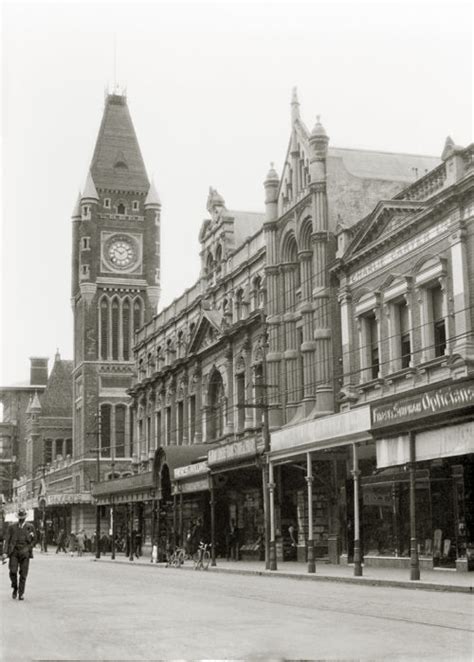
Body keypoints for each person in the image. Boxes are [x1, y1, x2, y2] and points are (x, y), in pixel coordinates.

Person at [2, 508, 35, 600]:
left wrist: (29, 548)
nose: (21, 519)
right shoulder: (12, 527)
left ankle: (21, 593)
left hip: (25, 552)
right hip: (14, 552)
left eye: (23, 517)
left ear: (25, 518)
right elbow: (7, 540)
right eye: (20, 517)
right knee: (12, 571)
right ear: (18, 518)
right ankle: (15, 587)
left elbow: (34, 539)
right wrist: (4, 552)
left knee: (23, 573)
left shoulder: (30, 527)